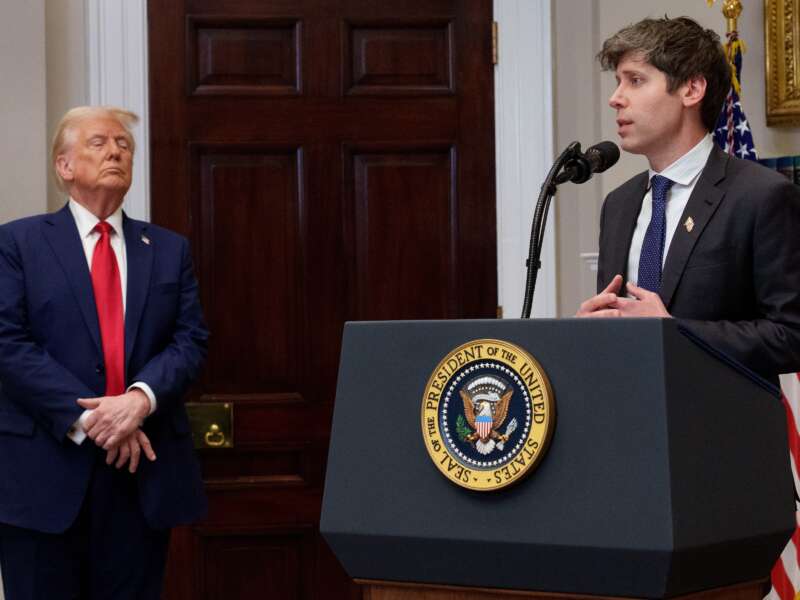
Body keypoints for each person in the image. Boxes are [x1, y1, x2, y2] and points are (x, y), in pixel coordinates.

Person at [0, 106, 208, 599]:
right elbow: (8, 342)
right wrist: (97, 420)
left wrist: (138, 400)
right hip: (42, 478)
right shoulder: (18, 243)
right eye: (99, 143)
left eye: (124, 145)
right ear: (64, 165)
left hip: (142, 477)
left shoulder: (168, 249)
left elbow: (190, 339)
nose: (116, 151)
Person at [575, 16, 800, 386]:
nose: (616, 98)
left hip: (720, 431)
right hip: (630, 423)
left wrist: (675, 332)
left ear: (692, 89)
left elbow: (792, 336)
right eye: (618, 82)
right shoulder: (619, 204)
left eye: (635, 80)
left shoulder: (762, 196)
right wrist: (588, 330)